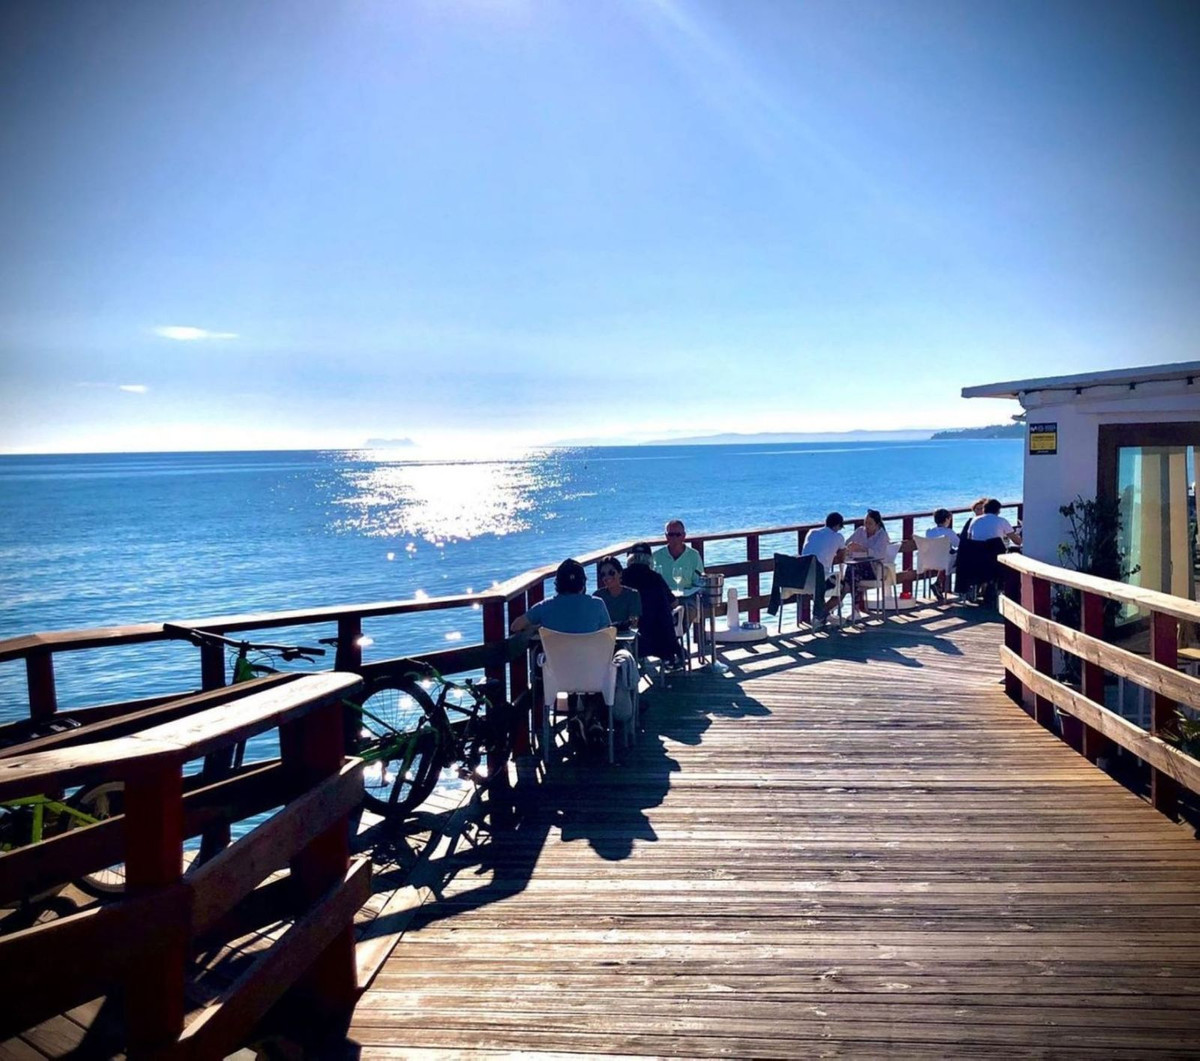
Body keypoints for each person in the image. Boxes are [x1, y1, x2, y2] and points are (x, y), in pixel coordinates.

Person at [510, 558, 612, 634]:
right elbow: (607, 633)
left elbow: (515, 627)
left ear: (558, 583)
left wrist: (537, 628)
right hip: (591, 657)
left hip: (554, 658)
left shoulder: (544, 607)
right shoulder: (597, 604)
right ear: (583, 582)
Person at [621, 542, 683, 665]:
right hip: (657, 635)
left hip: (627, 631)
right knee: (679, 612)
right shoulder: (655, 578)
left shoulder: (621, 577)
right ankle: (676, 652)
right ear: (650, 559)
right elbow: (673, 602)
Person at [841, 509, 890, 615]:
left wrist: (862, 549)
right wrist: (850, 548)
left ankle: (841, 600)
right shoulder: (860, 531)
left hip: (875, 568)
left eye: (870, 523)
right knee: (853, 571)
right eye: (865, 523)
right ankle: (854, 609)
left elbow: (880, 555)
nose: (867, 526)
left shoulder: (882, 535)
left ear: (877, 524)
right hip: (858, 566)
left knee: (851, 574)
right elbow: (846, 544)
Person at [801, 512, 846, 620]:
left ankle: (823, 614)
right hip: (819, 578)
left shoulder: (812, 532)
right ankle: (822, 613)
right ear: (837, 525)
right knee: (845, 586)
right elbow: (842, 558)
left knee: (823, 584)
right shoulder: (838, 537)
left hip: (802, 578)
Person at [593, 556, 642, 631]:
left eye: (611, 573)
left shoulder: (633, 595)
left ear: (620, 573)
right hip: (603, 636)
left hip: (626, 636)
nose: (607, 577)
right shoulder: (597, 596)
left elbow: (633, 623)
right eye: (603, 574)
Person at [924, 508, 960, 601]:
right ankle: (964, 588)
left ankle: (938, 583)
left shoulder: (929, 532)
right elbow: (958, 544)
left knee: (944, 559)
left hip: (929, 560)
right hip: (944, 561)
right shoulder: (949, 532)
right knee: (961, 557)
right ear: (947, 519)